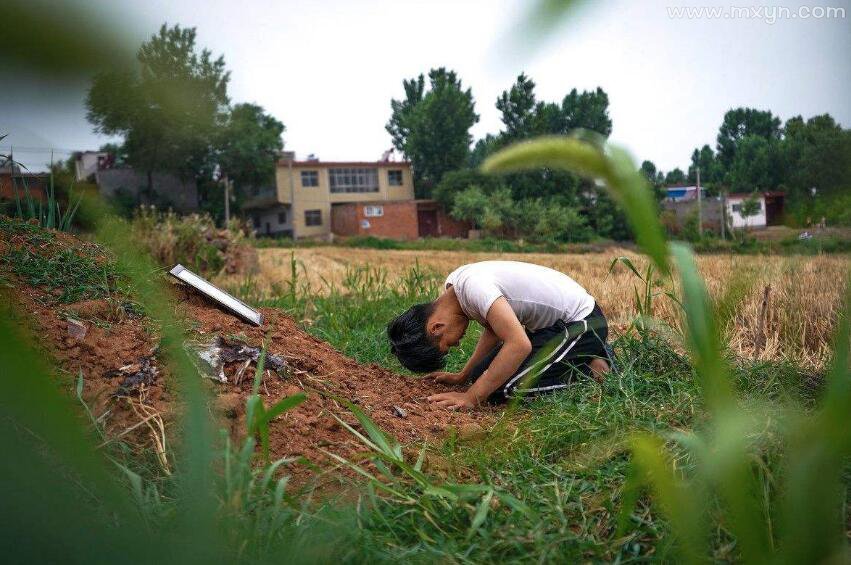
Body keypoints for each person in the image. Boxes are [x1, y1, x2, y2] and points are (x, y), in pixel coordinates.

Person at [387, 261, 612, 410]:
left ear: (436, 328)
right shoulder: (456, 286)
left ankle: (592, 368)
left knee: (505, 390)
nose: (456, 344)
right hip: (550, 329)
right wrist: (464, 376)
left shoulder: (475, 288)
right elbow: (495, 331)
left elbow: (518, 344)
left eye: (448, 344)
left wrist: (472, 397)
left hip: (581, 324)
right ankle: (583, 354)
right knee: (479, 375)